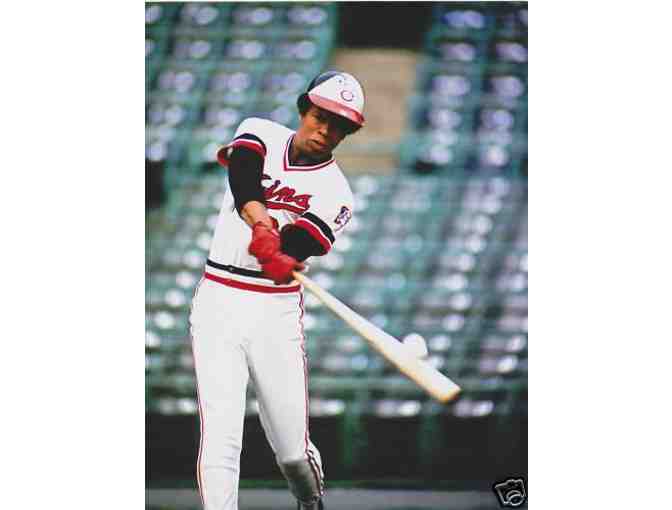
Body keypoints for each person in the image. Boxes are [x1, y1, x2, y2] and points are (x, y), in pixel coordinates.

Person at [189, 71, 365, 510]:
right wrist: (263, 224)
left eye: (339, 126)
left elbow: (299, 244)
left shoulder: (338, 194)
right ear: (304, 110)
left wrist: (282, 252)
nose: (325, 130)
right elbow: (244, 179)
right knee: (221, 437)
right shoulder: (259, 131)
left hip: (274, 311)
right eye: (321, 117)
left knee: (292, 454)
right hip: (218, 299)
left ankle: (310, 501)